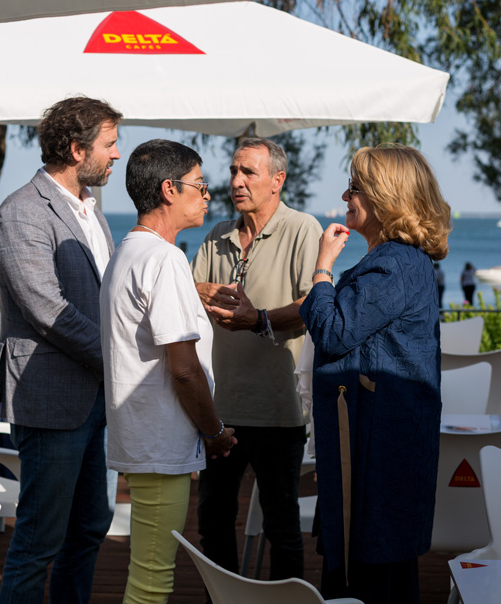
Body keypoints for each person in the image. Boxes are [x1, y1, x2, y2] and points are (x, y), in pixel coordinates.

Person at [300, 144, 451, 604]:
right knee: (385, 570)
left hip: (375, 452)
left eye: (356, 187)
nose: (346, 196)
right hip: (387, 445)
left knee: (368, 576)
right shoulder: (403, 262)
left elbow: (333, 330)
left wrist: (322, 267)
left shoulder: (391, 266)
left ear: (385, 198)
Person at [0, 96, 122, 604]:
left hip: (94, 401)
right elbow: (49, 310)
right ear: (74, 148)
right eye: (108, 144)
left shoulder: (93, 210)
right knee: (38, 542)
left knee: (89, 527)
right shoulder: (21, 212)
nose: (116, 154)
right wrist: (119, 359)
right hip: (51, 402)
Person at [101, 139, 236, 604]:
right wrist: (214, 430)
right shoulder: (164, 258)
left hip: (139, 435)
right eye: (199, 185)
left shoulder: (127, 252)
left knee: (147, 573)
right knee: (152, 582)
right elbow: (184, 369)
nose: (207, 195)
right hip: (159, 442)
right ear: (168, 190)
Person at [191, 137, 322, 585]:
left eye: (249, 172)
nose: (236, 181)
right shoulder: (216, 235)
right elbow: (185, 295)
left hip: (278, 409)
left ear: (277, 180)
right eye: (233, 171)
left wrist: (258, 318)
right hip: (219, 411)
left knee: (282, 529)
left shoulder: (303, 229)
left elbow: (314, 305)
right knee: (212, 522)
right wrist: (203, 292)